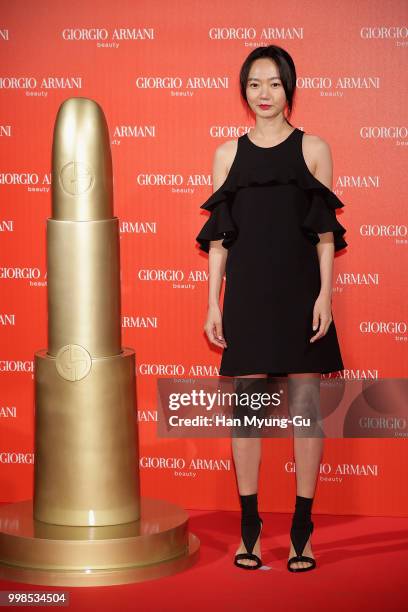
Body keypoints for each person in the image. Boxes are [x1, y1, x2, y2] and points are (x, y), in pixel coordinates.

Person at [195, 45, 347, 572]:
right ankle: (250, 526)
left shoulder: (315, 149)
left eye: (275, 84)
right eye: (255, 84)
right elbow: (219, 240)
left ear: (290, 89)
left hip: (300, 294)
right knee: (247, 415)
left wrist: (325, 294)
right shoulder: (225, 155)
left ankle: (302, 528)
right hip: (248, 298)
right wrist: (212, 302)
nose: (264, 94)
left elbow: (325, 233)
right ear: (244, 91)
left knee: (307, 412)